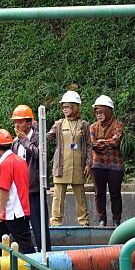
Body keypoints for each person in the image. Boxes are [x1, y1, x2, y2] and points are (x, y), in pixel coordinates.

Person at [47, 90, 92, 226]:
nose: (64, 109)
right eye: (63, 107)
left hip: (78, 165)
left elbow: (89, 146)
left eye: (67, 106)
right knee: (58, 197)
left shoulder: (84, 125)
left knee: (80, 196)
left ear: (75, 106)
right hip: (62, 165)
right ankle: (55, 222)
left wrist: (88, 163)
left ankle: (84, 222)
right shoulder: (59, 124)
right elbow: (47, 137)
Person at [11, 105, 52, 252]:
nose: (17, 125)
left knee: (39, 225)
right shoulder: (15, 142)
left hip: (34, 188)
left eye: (21, 122)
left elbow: (40, 155)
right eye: (15, 122)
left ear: (29, 123)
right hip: (19, 190)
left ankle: (45, 255)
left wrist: (25, 141)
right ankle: (26, 255)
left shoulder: (38, 137)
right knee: (21, 226)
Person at [0, 129, 35, 254]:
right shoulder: (19, 160)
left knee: (24, 243)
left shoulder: (5, 163)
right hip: (21, 208)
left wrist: (1, 210)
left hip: (12, 211)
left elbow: (4, 188)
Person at [89, 95, 125, 227]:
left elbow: (116, 141)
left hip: (115, 165)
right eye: (97, 112)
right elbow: (91, 144)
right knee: (99, 193)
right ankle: (101, 220)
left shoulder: (118, 124)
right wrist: (105, 143)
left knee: (115, 193)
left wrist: (100, 143)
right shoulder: (93, 127)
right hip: (97, 165)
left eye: (101, 112)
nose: (98, 115)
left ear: (108, 110)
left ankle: (116, 220)